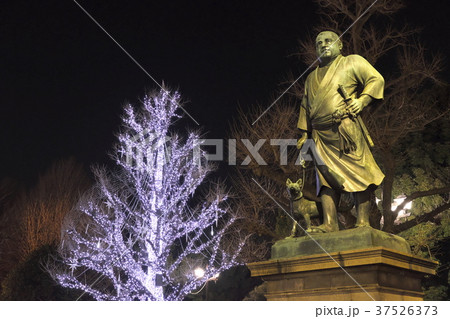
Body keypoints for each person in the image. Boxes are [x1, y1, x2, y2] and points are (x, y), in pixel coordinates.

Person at [296, 31, 385, 233]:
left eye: (328, 41)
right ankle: (330, 223)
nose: (323, 45)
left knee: (360, 172)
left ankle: (363, 221)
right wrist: (304, 133)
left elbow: (376, 80)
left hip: (345, 128)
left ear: (340, 45)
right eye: (318, 43)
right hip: (320, 135)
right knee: (325, 178)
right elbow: (305, 105)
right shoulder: (311, 77)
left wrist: (361, 101)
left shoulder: (352, 62)